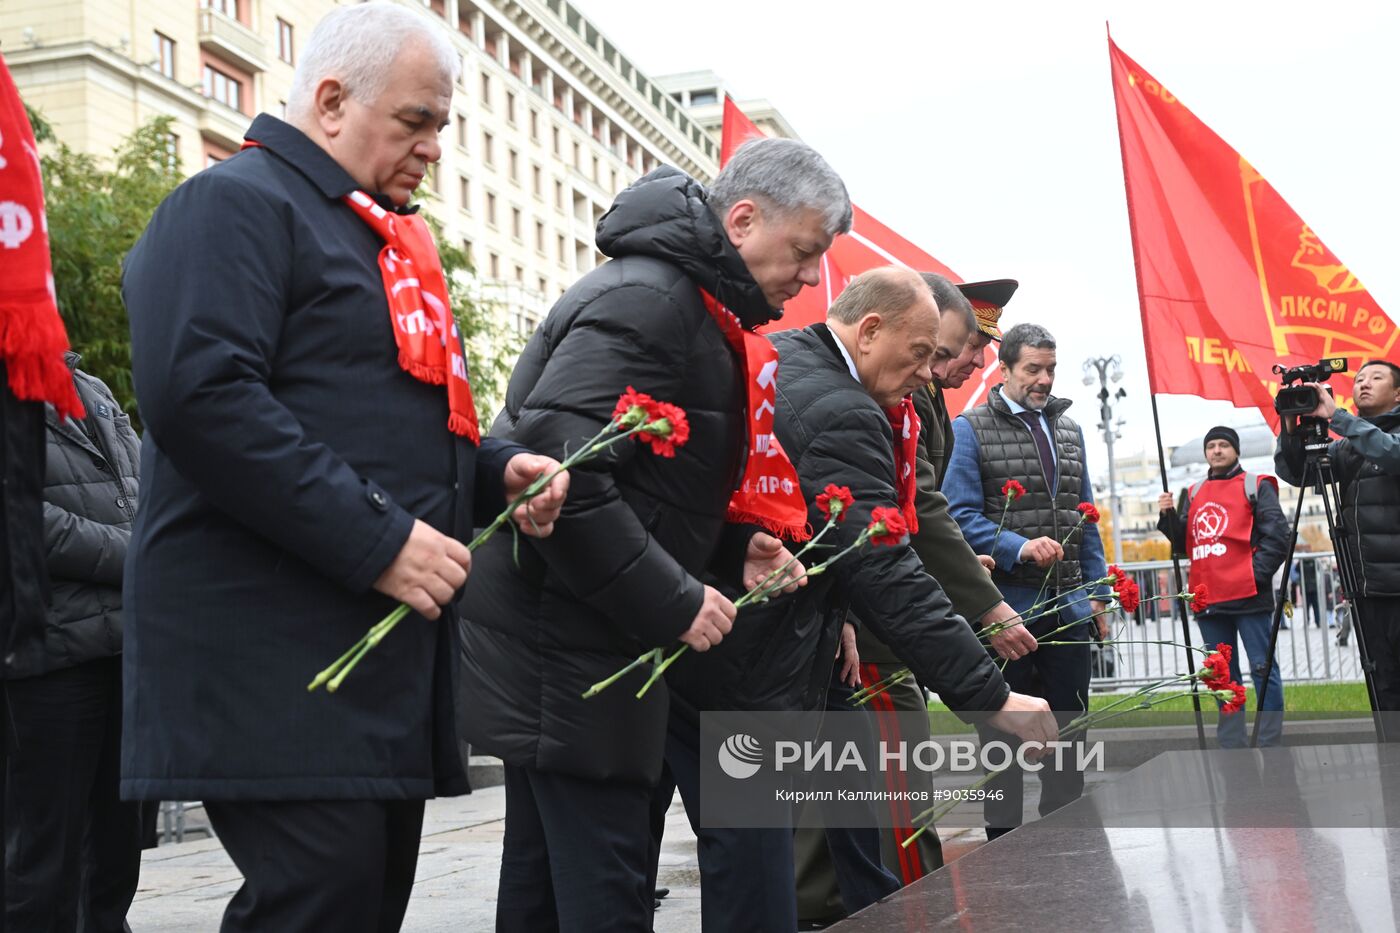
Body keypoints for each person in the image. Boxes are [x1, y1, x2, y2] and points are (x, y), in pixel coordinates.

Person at [119, 6, 568, 930]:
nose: (435, 148)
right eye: (417, 121)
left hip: (364, 651)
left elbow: (378, 415)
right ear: (330, 101)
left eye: (441, 125)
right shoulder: (233, 203)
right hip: (276, 650)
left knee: (358, 898)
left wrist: (496, 468)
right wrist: (380, 539)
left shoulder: (370, 234)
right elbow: (202, 397)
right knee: (318, 898)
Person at [456, 136, 841, 933]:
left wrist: (735, 549)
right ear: (742, 221)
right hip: (566, 642)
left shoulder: (687, 303)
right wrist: (675, 600)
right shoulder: (652, 300)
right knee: (599, 893)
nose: (809, 280)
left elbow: (642, 483)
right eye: (804, 252)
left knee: (548, 891)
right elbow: (565, 475)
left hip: (579, 633)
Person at [664, 267, 1058, 932]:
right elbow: (887, 561)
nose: (930, 373)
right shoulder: (843, 407)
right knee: (760, 862)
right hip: (737, 657)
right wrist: (989, 695)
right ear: (871, 329)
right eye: (922, 354)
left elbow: (796, 522)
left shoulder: (797, 362)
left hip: (718, 636)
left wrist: (831, 605)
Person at [795, 275, 1032, 924]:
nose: (953, 366)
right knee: (884, 795)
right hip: (866, 630)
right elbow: (910, 518)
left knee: (838, 798)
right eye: (953, 350)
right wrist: (987, 609)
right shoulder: (880, 398)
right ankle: (908, 911)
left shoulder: (913, 396)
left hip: (859, 617)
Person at [944, 322, 1111, 838]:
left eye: (1051, 369)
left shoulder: (1070, 430)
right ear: (1005, 368)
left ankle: (1066, 830)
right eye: (1033, 369)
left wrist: (1098, 593)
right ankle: (1003, 840)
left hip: (1067, 610)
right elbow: (956, 516)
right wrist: (1019, 548)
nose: (1044, 380)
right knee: (1002, 737)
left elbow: (1085, 519)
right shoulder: (968, 429)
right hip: (1006, 611)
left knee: (1070, 730)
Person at [4, 354, 143, 932]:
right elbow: (23, 523)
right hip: (48, 656)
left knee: (115, 858)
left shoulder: (91, 386)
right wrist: (139, 556)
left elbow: (141, 489)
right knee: (43, 865)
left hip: (123, 650)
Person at [1276, 359, 1400, 713]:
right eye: (1359, 378)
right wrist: (1290, 428)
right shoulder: (1347, 447)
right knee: (1384, 691)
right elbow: (1300, 473)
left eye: (1376, 378)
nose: (1364, 383)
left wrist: (1340, 419)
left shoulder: (1359, 435)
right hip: (1367, 590)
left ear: (1397, 393)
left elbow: (1392, 453)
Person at [1157, 425, 1289, 747]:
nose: (1216, 450)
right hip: (1209, 599)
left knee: (1262, 668)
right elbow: (1185, 544)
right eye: (1211, 446)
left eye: (1223, 445)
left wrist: (1251, 574)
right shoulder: (1194, 491)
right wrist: (1168, 517)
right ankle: (1232, 742)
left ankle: (1269, 739)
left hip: (1248, 596)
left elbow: (1278, 537)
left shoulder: (1255, 485)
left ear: (1235, 450)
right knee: (1220, 674)